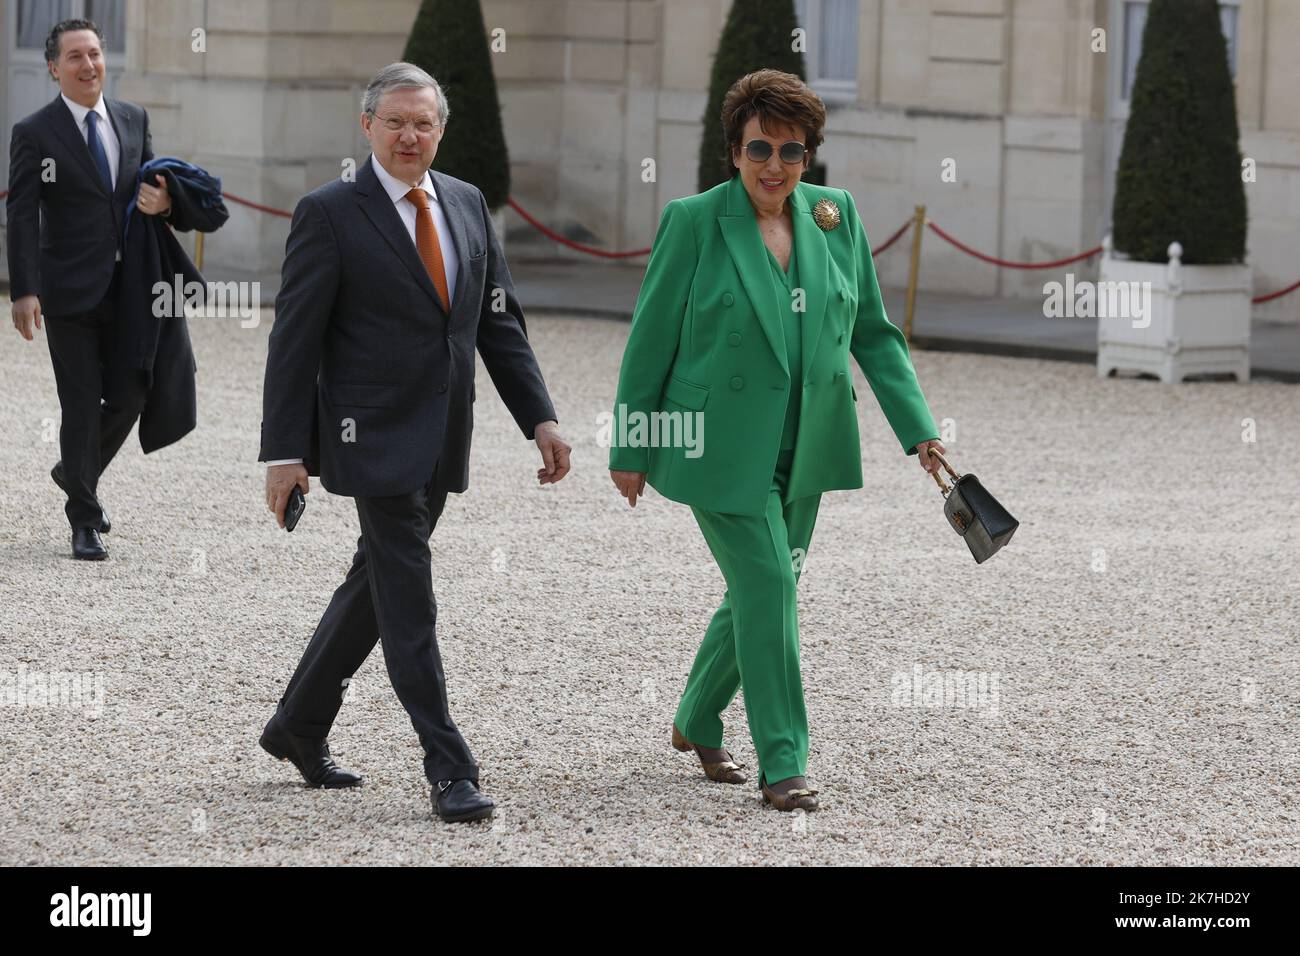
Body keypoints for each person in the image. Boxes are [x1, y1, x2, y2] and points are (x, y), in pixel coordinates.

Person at [608, 69, 946, 812]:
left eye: (791, 153)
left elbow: (872, 334)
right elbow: (650, 339)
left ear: (808, 157)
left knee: (766, 589)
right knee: (770, 585)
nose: (774, 167)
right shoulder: (695, 220)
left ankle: (697, 718)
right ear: (733, 151)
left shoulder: (835, 215)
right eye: (760, 149)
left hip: (809, 447)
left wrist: (920, 431)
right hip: (714, 446)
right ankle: (784, 762)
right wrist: (631, 445)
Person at [258, 62, 571, 824]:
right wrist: (284, 452)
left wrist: (541, 417)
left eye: (422, 123)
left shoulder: (466, 203)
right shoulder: (329, 213)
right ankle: (450, 767)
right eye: (394, 122)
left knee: (377, 584)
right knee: (410, 600)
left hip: (443, 437)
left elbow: (497, 321)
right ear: (366, 127)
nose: (408, 135)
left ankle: (297, 726)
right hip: (367, 439)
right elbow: (294, 341)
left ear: (440, 129)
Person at [6, 18, 184, 560]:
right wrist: (24, 289)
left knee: (132, 392)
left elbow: (154, 184)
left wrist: (167, 202)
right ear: (54, 68)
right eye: (75, 57)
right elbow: (21, 213)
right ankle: (83, 518)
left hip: (128, 287)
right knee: (81, 403)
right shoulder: (34, 132)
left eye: (95, 54)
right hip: (66, 294)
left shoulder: (133, 118)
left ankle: (72, 470)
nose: (88, 65)